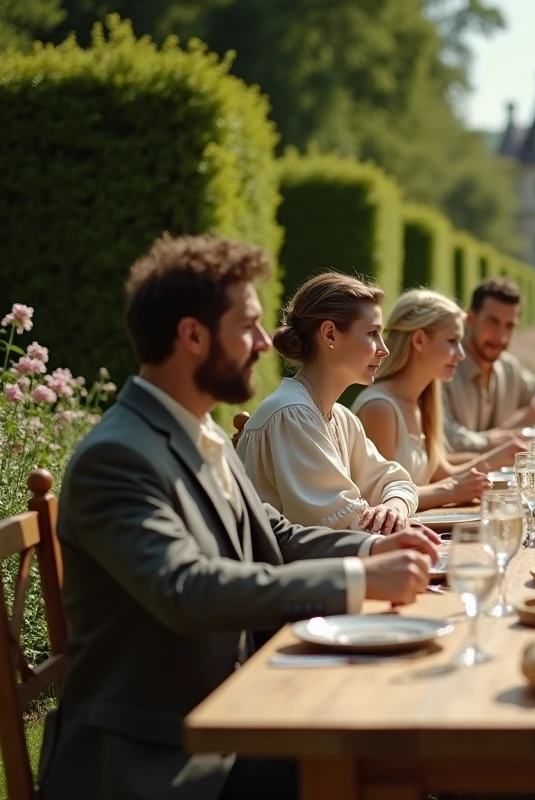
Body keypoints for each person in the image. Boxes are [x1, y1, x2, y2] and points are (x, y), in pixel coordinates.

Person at [39, 235, 439, 800]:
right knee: (383, 773)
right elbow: (186, 588)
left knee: (398, 739)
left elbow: (270, 533)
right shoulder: (118, 457)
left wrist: (371, 550)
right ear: (192, 336)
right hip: (156, 756)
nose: (263, 343)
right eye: (247, 326)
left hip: (231, 710)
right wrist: (357, 580)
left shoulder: (200, 429)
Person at [235, 273, 420, 533]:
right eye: (372, 333)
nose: (384, 349)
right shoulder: (292, 414)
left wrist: (394, 508)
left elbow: (396, 480)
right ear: (330, 334)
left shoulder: (340, 417)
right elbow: (341, 526)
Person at [354, 289, 525, 510]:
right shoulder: (380, 408)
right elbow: (379, 499)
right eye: (452, 341)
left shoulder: (423, 402)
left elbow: (441, 472)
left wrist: (503, 456)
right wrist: (451, 491)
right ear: (419, 340)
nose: (461, 354)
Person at [442, 277, 535, 453]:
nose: (501, 336)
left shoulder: (508, 367)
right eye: (492, 322)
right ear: (470, 319)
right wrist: (506, 434)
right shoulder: (443, 369)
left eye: (509, 326)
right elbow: (447, 441)